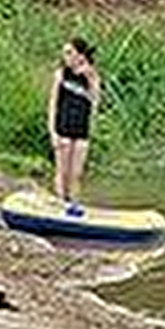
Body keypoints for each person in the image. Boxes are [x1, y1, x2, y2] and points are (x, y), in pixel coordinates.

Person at [46, 37, 101, 217]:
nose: (65, 56)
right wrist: (52, 131)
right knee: (62, 171)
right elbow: (53, 104)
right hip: (63, 126)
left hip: (81, 129)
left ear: (80, 55)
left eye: (69, 52)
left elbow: (95, 102)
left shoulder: (92, 75)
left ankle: (74, 204)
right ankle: (61, 207)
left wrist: (90, 77)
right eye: (64, 53)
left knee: (76, 174)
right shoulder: (60, 74)